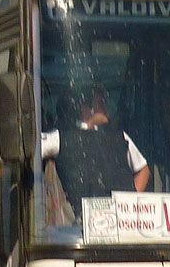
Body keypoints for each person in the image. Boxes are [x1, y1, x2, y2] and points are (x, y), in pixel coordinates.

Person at [42, 86, 149, 218]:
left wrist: (129, 204)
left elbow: (143, 169)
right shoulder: (62, 137)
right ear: (85, 109)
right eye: (101, 103)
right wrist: (88, 126)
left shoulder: (119, 136)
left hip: (121, 223)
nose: (106, 109)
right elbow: (33, 145)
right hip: (78, 227)